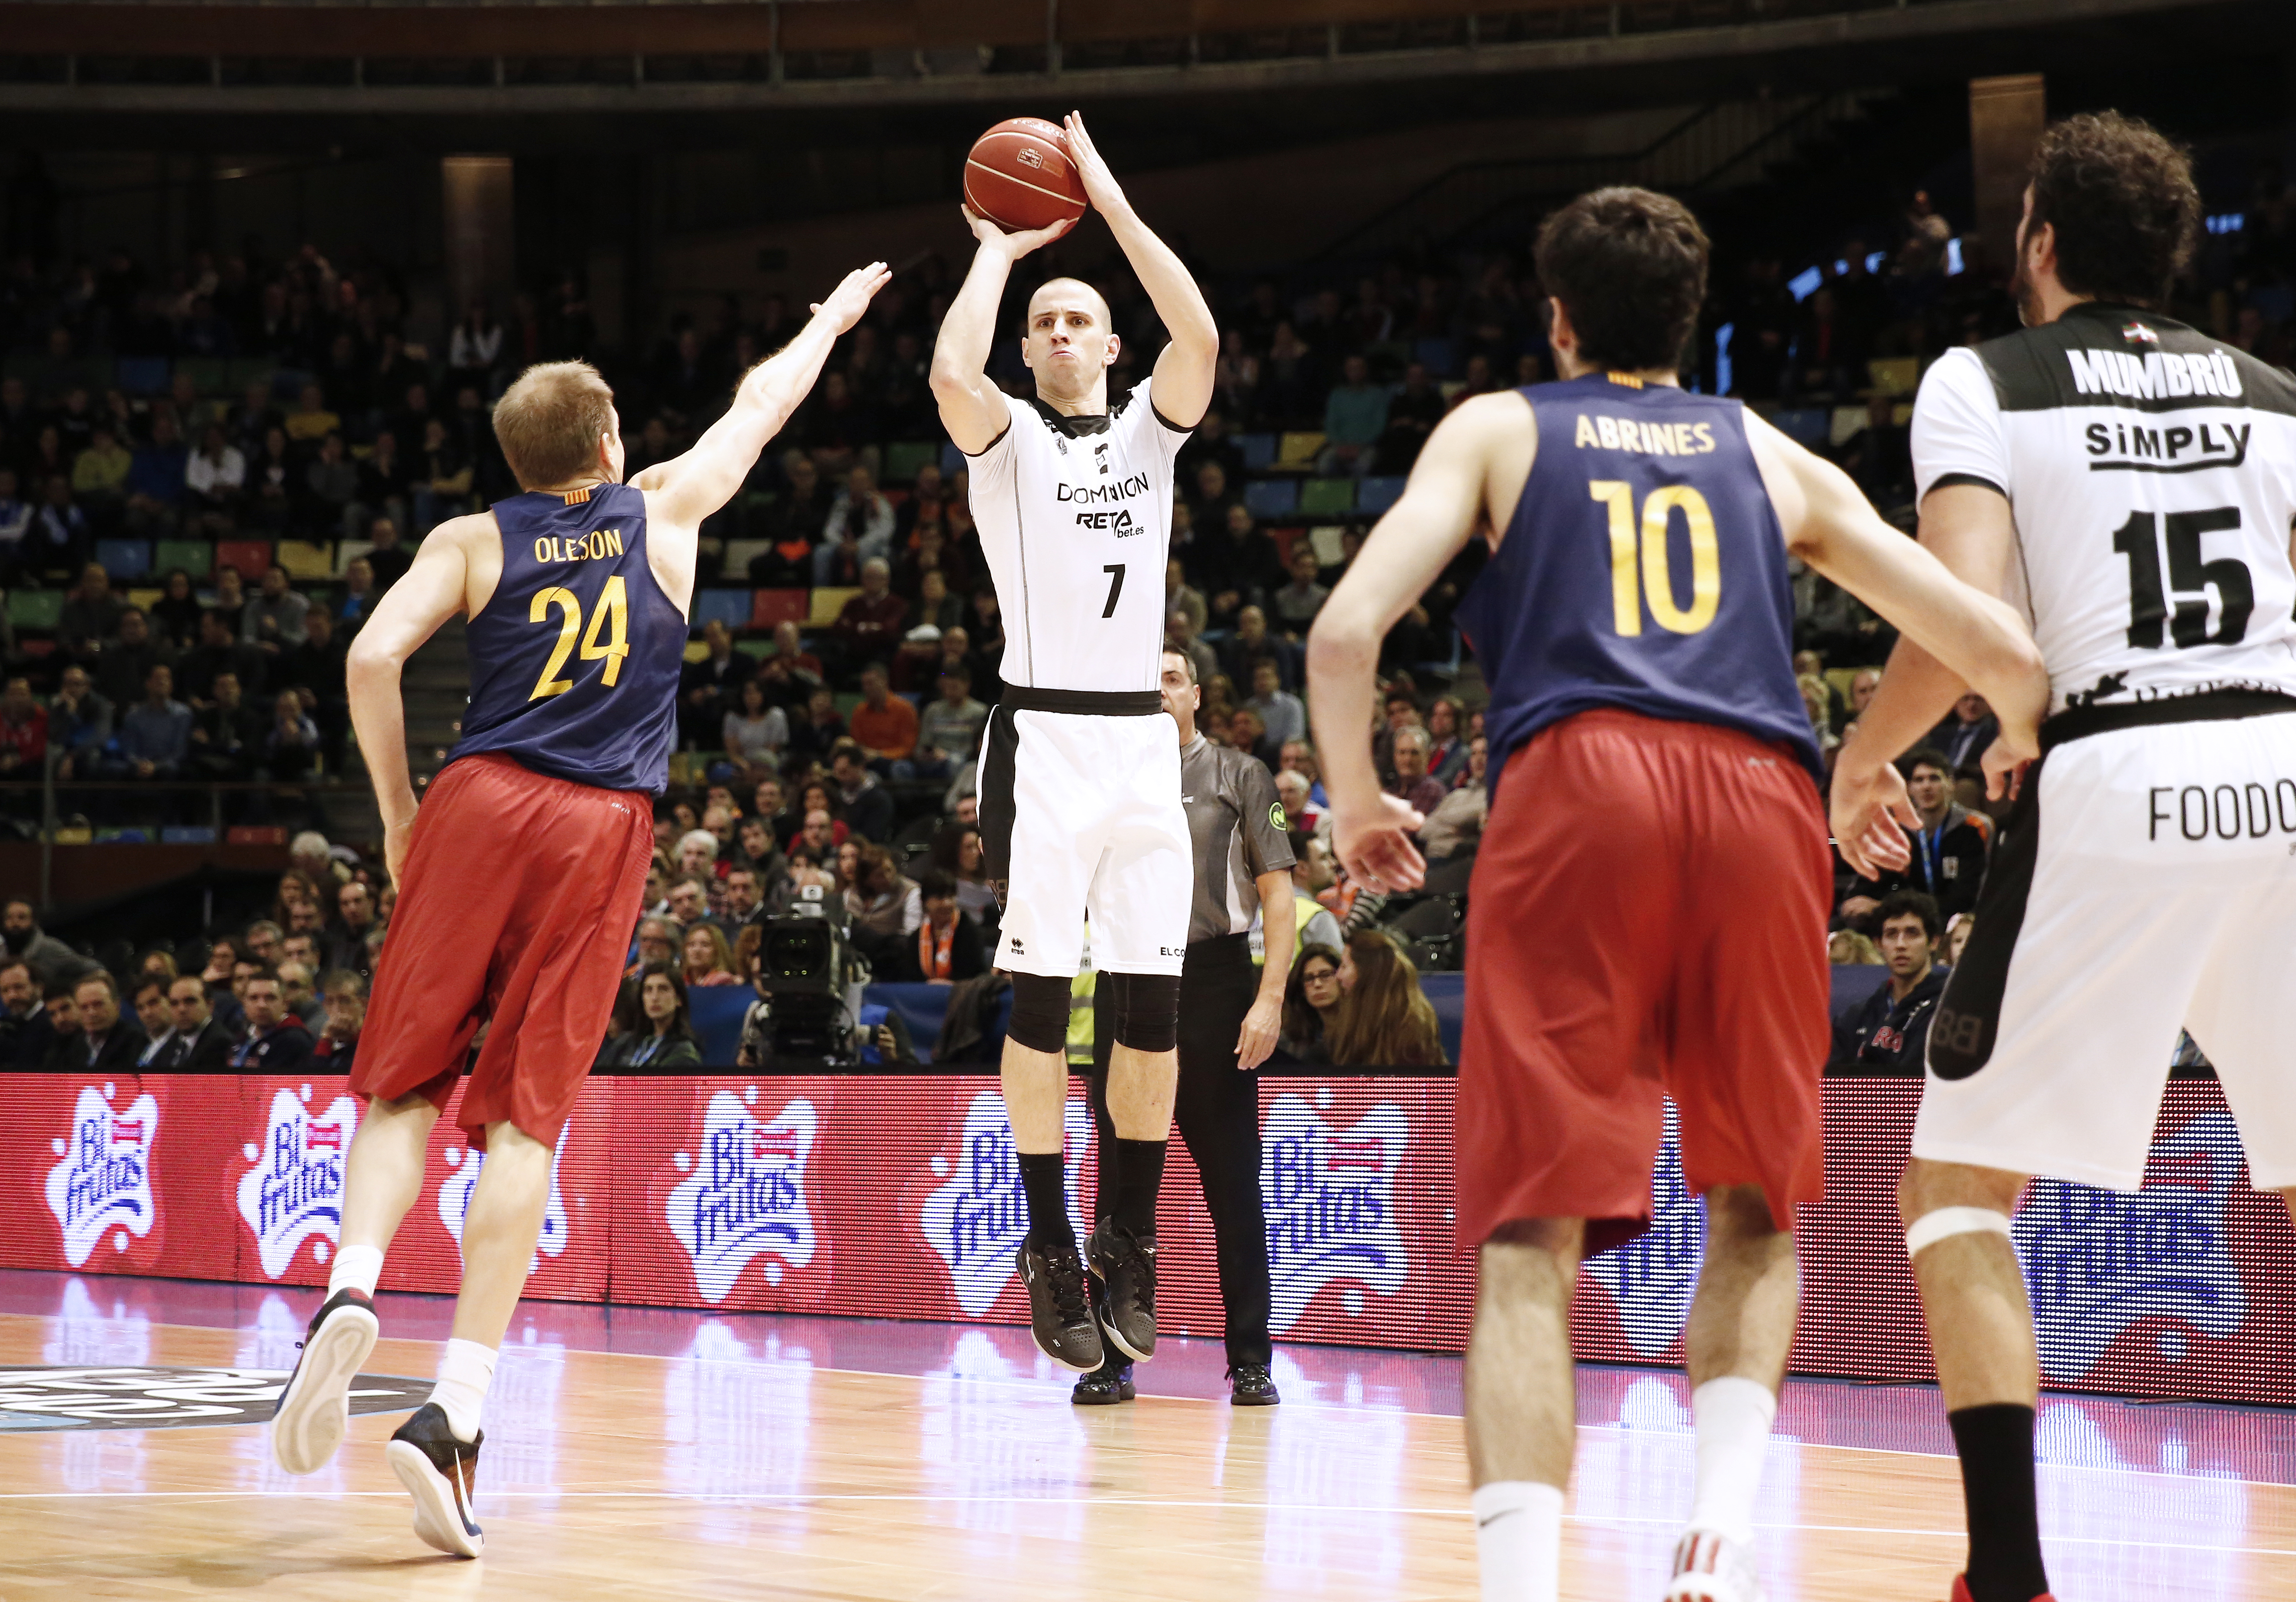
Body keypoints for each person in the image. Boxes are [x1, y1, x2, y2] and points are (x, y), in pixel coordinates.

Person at [1304, 184, 2048, 1602]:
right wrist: (1992, 736)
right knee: (1756, 1199)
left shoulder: (1499, 426)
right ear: (1689, 326)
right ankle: (1714, 1529)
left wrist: (1351, 800)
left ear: (1558, 318)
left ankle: (1525, 1584)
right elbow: (1992, 645)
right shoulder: (1767, 454)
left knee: (1530, 1235)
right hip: (1761, 798)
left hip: (1578, 781)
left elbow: (1345, 635)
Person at [267, 260, 888, 1559]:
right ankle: (453, 1411)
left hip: (477, 797)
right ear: (609, 443)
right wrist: (828, 319)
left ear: (512, 455)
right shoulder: (662, 510)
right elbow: (758, 407)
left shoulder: (470, 539)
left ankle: (349, 1285)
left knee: (401, 1085)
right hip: (600, 820)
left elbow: (372, 657)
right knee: (523, 1121)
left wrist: (393, 813)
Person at [1827, 113, 2296, 1602]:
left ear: (2036, 245)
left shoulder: (1988, 380)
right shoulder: (2277, 395)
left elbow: (1968, 617)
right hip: (2282, 768)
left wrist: (1866, 754)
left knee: (1956, 1189)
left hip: (2114, 779)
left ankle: (2009, 1577)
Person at [931, 111, 1216, 1376]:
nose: (1055, 332)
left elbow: (1198, 334)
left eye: (1074, 318)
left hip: (1141, 753)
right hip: (1042, 742)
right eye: (1040, 320)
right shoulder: (1008, 441)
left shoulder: (1153, 433)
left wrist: (1103, 193)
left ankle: (1131, 1234)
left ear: (1110, 345)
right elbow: (948, 376)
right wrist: (997, 248)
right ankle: (1049, 1237)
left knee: (1151, 1021)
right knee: (1042, 1010)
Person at [1075, 647, 1295, 1406]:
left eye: (1170, 679)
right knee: (1117, 1184)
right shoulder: (1106, 785)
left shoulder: (1240, 774)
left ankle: (1251, 1358)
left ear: (1196, 693)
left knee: (1232, 1184)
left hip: (1213, 982)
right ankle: (1112, 1358)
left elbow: (1277, 897)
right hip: (1126, 981)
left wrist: (1267, 999)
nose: (1159, 692)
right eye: (1147, 683)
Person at [1841, 747, 1989, 921]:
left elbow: (1965, 897)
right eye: (1919, 780)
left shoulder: (1973, 827)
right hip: (1907, 917)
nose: (1926, 787)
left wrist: (1885, 906)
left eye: (1934, 778)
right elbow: (1872, 880)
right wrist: (1855, 901)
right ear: (1909, 788)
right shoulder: (1897, 829)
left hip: (1960, 919)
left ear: (1951, 784)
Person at [1830, 891, 1947, 1068]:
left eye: (1912, 933)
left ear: (1933, 942)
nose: (1901, 945)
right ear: (1878, 944)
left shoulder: (1947, 1012)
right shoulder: (1856, 1016)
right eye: (1892, 934)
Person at [1322, 928, 1445, 1067]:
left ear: (1366, 972)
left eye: (1344, 967)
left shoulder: (1412, 1028)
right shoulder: (1347, 1015)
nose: (1338, 976)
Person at [597, 961, 703, 1067]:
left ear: (679, 999)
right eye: (648, 990)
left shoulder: (684, 1053)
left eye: (663, 989)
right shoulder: (625, 1042)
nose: (654, 998)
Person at [895, 867, 988, 983]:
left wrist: (950, 985)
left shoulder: (970, 932)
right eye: (940, 898)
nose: (947, 903)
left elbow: (976, 978)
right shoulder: (916, 938)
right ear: (924, 902)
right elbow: (910, 978)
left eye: (951, 897)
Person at [228, 967, 313, 1071]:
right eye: (254, 998)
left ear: (285, 1003)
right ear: (244, 1004)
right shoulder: (241, 1037)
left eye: (270, 998)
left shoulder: (296, 1041)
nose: (262, 1005)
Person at [1278, 941, 1344, 1061]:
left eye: (1325, 975)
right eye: (1309, 978)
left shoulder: (1361, 1031)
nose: (1317, 984)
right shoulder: (1290, 1042)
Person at [160, 972, 233, 1070]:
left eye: (190, 1001)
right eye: (174, 1003)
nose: (182, 1010)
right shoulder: (172, 1041)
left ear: (209, 1005)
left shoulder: (221, 1044)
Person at [0, 958, 53, 1068]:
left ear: (39, 988)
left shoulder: (52, 1023)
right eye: (5, 990)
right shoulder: (9, 1027)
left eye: (19, 987)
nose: (12, 996)